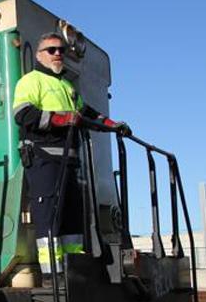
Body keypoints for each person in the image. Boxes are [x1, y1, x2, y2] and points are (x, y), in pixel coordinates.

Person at [12, 32, 129, 275]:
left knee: (74, 217)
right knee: (50, 217)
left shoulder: (66, 86)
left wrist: (112, 124)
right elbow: (23, 116)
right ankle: (52, 276)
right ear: (39, 55)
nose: (58, 54)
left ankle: (73, 272)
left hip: (71, 161)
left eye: (61, 50)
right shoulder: (30, 81)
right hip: (44, 159)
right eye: (52, 50)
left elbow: (87, 113)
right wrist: (62, 119)